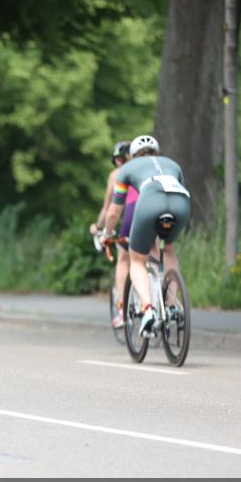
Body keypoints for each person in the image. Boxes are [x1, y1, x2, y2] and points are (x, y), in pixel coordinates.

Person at [102, 135, 190, 336]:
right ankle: (172, 304)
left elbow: (114, 211)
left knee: (137, 260)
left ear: (132, 155)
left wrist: (106, 233)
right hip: (181, 204)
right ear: (156, 152)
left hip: (150, 203)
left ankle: (148, 309)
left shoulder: (126, 169)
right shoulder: (172, 164)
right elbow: (182, 189)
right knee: (167, 248)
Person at [90, 141, 139, 328]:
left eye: (119, 159)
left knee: (124, 258)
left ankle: (122, 309)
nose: (118, 164)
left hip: (131, 216)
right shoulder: (147, 167)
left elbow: (109, 208)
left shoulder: (117, 175)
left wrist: (98, 226)